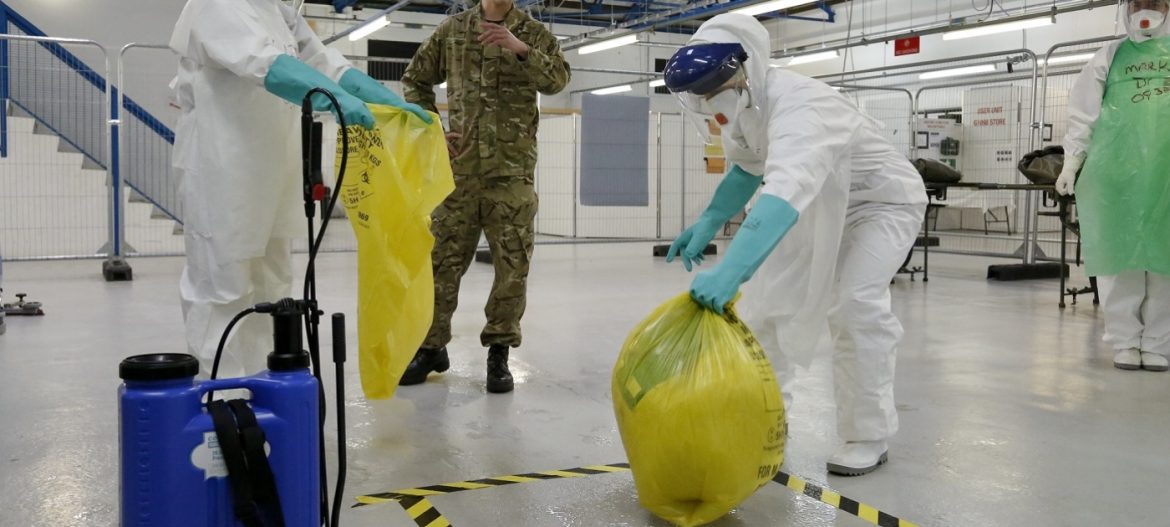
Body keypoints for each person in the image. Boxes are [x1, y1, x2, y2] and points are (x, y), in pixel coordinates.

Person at [662, 13, 926, 476]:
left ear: (746, 66)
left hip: (878, 204)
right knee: (765, 310)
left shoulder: (802, 104)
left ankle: (867, 434)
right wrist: (709, 219)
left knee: (856, 305)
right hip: (817, 203)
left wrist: (731, 270)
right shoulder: (745, 106)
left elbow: (783, 190)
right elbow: (748, 168)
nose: (709, 99)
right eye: (700, 93)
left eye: (713, 87)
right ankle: (768, 423)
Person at [170, 0, 430, 378]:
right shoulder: (217, 4)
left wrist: (384, 99)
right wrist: (338, 100)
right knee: (223, 285)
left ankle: (264, 385)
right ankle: (220, 393)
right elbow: (268, 65)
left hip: (272, 173)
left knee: (273, 287)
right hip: (221, 170)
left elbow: (323, 63)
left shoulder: (279, 11)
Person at [398, 0, 570, 393]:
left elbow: (558, 80)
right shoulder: (452, 31)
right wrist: (431, 129)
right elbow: (415, 79)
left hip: (511, 175)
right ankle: (431, 347)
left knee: (512, 268)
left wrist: (520, 49)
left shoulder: (533, 34)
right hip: (459, 174)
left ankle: (499, 352)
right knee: (441, 263)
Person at [1057, 0, 1170, 372]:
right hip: (1118, 174)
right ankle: (1125, 341)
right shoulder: (1110, 56)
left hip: (1166, 175)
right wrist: (1072, 161)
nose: (1146, 11)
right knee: (1121, 258)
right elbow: (1083, 112)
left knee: (1166, 261)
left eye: (1155, 3)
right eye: (1139, 3)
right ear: (1127, 8)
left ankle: (1158, 343)